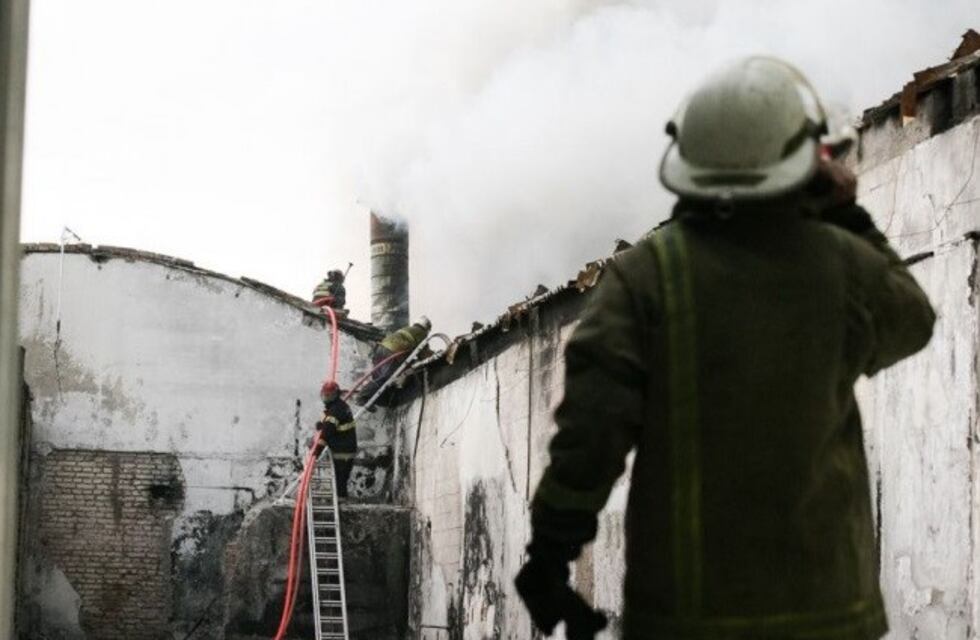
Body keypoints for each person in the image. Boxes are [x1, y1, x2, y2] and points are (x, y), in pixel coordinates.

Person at [516, 56, 936, 640]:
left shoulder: (645, 278)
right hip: (829, 613)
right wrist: (848, 212)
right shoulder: (842, 265)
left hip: (688, 616)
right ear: (802, 161)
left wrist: (549, 556)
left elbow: (591, 435)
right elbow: (912, 321)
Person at [355, 316, 432, 406]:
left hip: (380, 350)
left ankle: (376, 400)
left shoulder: (406, 329)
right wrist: (436, 355)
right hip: (392, 352)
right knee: (387, 378)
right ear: (426, 328)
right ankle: (363, 396)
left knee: (379, 378)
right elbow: (424, 355)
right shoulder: (421, 333)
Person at [314, 381, 357, 498]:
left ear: (336, 395)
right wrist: (322, 425)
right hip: (345, 448)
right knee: (341, 480)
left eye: (329, 396)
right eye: (325, 395)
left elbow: (327, 433)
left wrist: (316, 452)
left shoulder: (335, 410)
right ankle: (341, 499)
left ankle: (342, 501)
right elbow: (330, 425)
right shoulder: (339, 406)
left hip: (343, 452)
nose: (326, 398)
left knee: (340, 481)